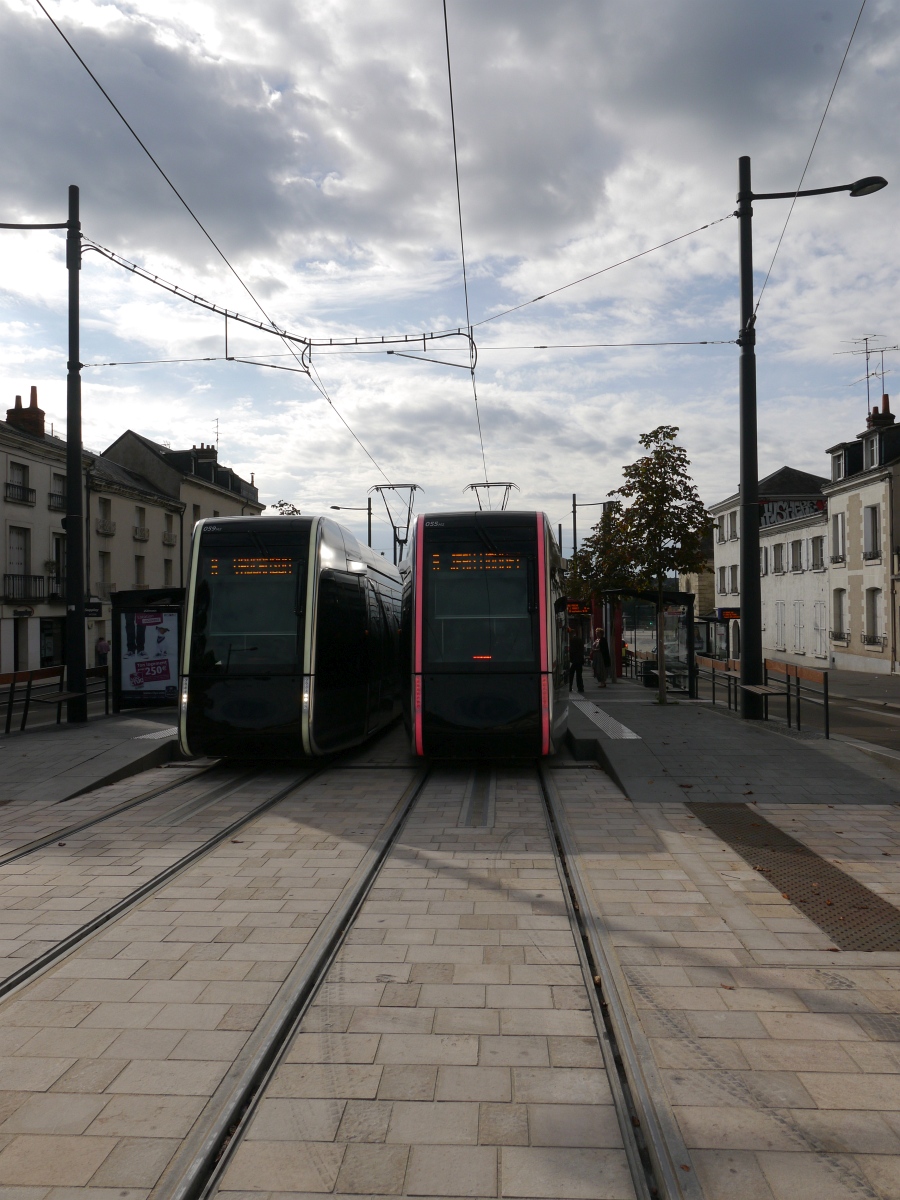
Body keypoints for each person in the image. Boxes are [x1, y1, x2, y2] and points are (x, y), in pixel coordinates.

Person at [568, 628, 585, 694]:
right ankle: (580, 688)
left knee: (571, 674)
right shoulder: (579, 640)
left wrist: (571, 659)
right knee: (579, 675)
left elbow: (572, 651)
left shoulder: (572, 641)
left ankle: (569, 687)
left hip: (574, 660)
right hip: (580, 659)